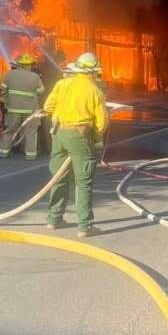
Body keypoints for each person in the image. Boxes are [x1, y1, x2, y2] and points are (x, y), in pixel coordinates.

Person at [43, 52, 108, 237]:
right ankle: (85, 226)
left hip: (59, 134)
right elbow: (102, 123)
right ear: (93, 72)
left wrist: (62, 115)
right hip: (80, 135)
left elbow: (48, 107)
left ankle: (54, 219)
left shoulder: (62, 84)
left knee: (58, 177)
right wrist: (95, 137)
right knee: (84, 181)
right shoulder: (95, 90)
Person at [0, 53, 45, 159]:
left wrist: (7, 101)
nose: (31, 66)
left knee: (9, 130)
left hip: (13, 108)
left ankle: (3, 152)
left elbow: (3, 90)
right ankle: (30, 155)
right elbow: (41, 91)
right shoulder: (35, 76)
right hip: (30, 110)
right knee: (31, 132)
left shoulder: (9, 75)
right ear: (28, 65)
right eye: (30, 64)